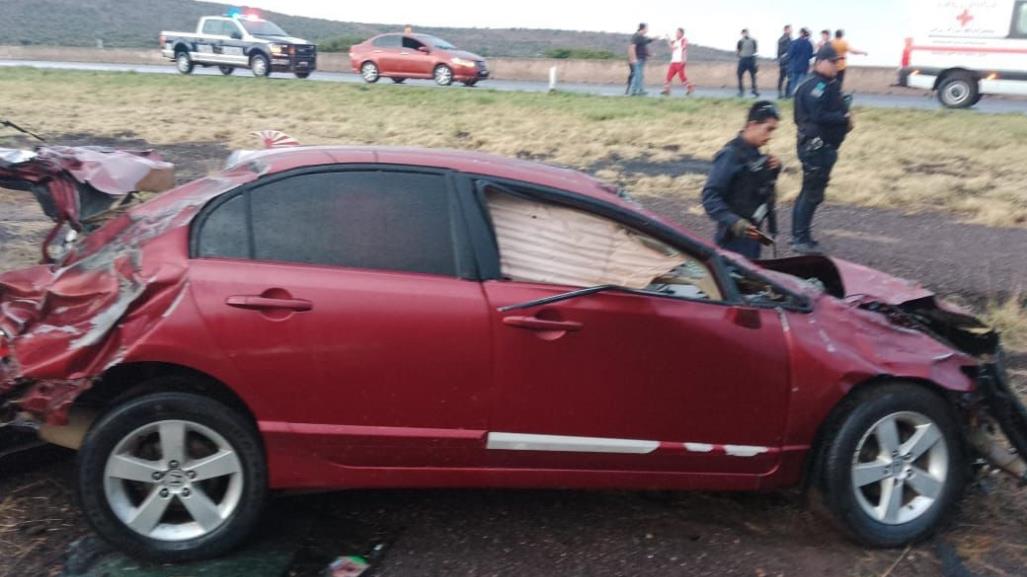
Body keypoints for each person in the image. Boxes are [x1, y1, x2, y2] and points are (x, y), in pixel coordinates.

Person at [701, 101, 782, 259]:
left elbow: (758, 188)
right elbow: (710, 197)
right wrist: (734, 222)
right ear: (752, 125)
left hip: (752, 235)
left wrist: (775, 169)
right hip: (732, 240)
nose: (770, 136)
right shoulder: (730, 155)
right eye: (768, 129)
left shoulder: (755, 154)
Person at [791, 45, 852, 254]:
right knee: (810, 193)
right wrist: (843, 118)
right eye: (833, 62)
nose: (836, 66)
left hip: (822, 147)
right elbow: (818, 116)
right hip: (815, 147)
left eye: (837, 62)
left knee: (811, 192)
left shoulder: (825, 84)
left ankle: (802, 236)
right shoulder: (815, 86)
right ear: (820, 63)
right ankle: (799, 239)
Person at [662, 28, 694, 96]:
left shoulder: (683, 40)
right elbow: (671, 47)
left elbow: (684, 49)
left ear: (681, 34)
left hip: (680, 61)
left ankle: (690, 88)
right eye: (676, 32)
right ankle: (667, 90)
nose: (676, 34)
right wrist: (668, 39)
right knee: (668, 76)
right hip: (673, 61)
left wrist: (684, 59)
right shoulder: (675, 41)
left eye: (678, 33)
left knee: (682, 77)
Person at [785, 28, 814, 97]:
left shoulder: (794, 42)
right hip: (804, 66)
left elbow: (790, 54)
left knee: (793, 83)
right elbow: (810, 55)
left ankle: (793, 96)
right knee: (801, 83)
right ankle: (799, 97)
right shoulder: (809, 44)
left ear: (801, 33)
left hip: (794, 66)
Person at [629, 23, 655, 96]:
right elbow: (632, 47)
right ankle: (640, 91)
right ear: (643, 28)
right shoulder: (636, 36)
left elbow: (646, 42)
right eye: (647, 28)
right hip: (638, 59)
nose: (647, 30)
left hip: (642, 59)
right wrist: (633, 58)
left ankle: (633, 91)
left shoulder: (641, 37)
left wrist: (653, 39)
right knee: (639, 76)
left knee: (637, 76)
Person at [736, 29, 759, 97]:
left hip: (751, 59)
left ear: (748, 33)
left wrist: (755, 62)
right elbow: (738, 50)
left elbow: (756, 51)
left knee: (753, 76)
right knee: (739, 74)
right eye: (743, 33)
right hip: (743, 60)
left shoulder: (753, 40)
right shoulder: (740, 41)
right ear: (742, 34)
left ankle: (754, 90)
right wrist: (740, 56)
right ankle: (741, 91)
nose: (745, 34)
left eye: (746, 33)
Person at [777, 25, 793, 99]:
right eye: (790, 29)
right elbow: (782, 51)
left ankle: (787, 93)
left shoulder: (789, 39)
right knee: (782, 78)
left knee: (789, 78)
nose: (791, 31)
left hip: (788, 61)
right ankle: (780, 93)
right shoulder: (783, 39)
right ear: (785, 30)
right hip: (784, 62)